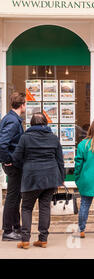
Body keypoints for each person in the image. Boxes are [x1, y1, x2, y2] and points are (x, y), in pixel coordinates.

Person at [11, 113, 65, 249]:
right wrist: (61, 178)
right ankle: (43, 239)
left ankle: (25, 240)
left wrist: (24, 166)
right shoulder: (53, 138)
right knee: (45, 207)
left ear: (31, 124)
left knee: (27, 207)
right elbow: (60, 160)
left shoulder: (25, 138)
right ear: (45, 123)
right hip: (50, 177)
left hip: (31, 177)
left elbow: (16, 158)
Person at [0, 92, 26, 241]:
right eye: (25, 104)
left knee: (16, 197)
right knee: (12, 197)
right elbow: (3, 143)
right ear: (22, 105)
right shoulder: (13, 121)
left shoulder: (11, 118)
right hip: (14, 164)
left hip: (14, 163)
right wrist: (7, 160)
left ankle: (16, 227)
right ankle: (8, 230)